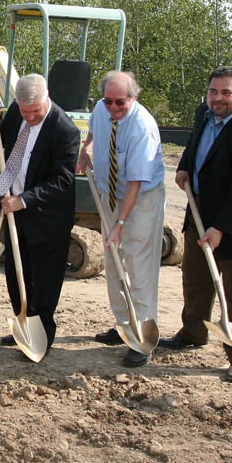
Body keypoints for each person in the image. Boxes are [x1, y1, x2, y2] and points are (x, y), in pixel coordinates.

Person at [159, 66, 232, 383]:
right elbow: (194, 144)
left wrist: (221, 228)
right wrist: (184, 167)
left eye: (226, 92)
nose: (218, 99)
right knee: (196, 281)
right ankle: (193, 332)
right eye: (213, 92)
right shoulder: (205, 112)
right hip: (201, 213)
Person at [0, 73, 79, 357]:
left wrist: (24, 200)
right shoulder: (16, 112)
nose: (30, 117)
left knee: (44, 280)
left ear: (46, 98)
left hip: (48, 216)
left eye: (36, 111)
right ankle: (23, 324)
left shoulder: (65, 130)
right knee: (16, 273)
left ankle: (42, 337)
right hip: (16, 210)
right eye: (26, 112)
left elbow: (62, 180)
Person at [76, 71, 165, 367]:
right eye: (108, 100)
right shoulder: (102, 109)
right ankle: (122, 325)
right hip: (108, 193)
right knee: (113, 262)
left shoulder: (143, 128)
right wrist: (85, 149)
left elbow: (136, 182)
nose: (113, 107)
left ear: (133, 98)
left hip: (140, 201)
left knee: (138, 266)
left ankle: (142, 335)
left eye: (120, 102)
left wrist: (120, 223)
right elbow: (92, 130)